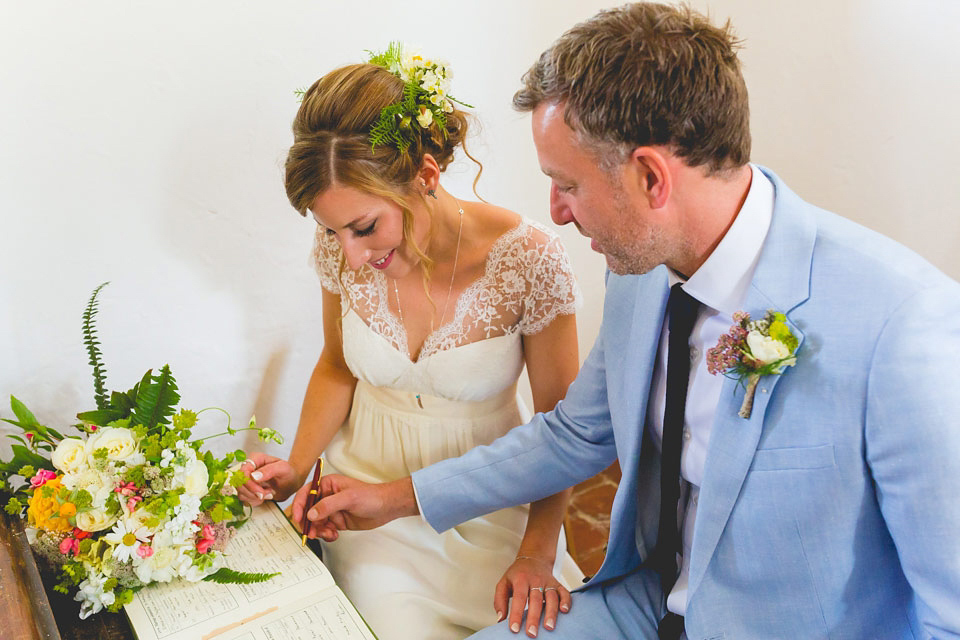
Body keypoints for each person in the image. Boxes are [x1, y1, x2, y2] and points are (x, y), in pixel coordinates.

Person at [303, 4, 960, 639]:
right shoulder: (639, 268)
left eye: (568, 185)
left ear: (650, 177)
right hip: (643, 603)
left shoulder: (903, 328)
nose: (555, 213)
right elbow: (573, 436)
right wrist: (393, 498)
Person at [238, 45, 585, 640]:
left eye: (365, 226)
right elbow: (337, 366)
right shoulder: (341, 253)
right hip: (368, 501)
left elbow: (563, 428)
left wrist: (535, 553)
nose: (349, 253)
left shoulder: (528, 260)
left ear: (425, 174)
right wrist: (295, 467)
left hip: (493, 496)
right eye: (331, 231)